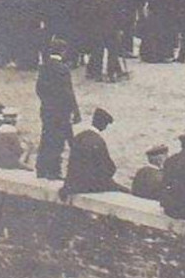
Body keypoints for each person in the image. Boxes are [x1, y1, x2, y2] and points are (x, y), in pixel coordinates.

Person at [34, 37, 78, 181]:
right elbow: (68, 92)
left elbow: (39, 88)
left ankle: (41, 168)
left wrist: (47, 102)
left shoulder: (44, 67)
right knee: (58, 141)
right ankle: (54, 170)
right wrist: (75, 111)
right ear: (63, 52)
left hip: (47, 109)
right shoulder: (63, 69)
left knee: (46, 137)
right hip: (61, 111)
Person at [60, 107, 123, 198]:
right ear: (103, 125)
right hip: (88, 186)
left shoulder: (79, 136)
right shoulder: (98, 141)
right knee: (124, 190)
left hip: (73, 184)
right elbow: (109, 168)